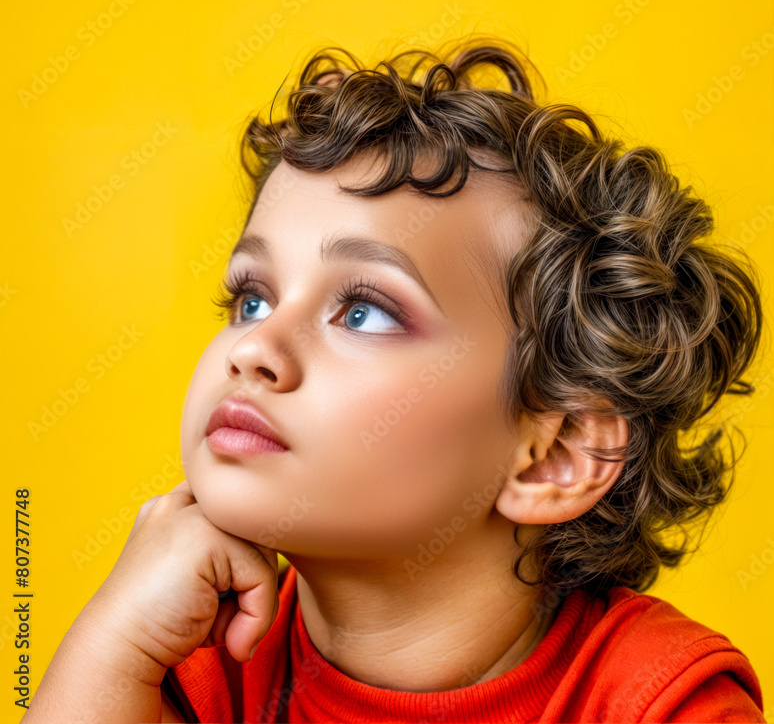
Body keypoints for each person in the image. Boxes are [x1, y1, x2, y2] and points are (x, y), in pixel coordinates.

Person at [27, 37, 766, 723]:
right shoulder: (190, 661)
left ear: (556, 454)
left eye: (364, 312)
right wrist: (107, 647)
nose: (256, 349)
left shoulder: (658, 700)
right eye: (252, 299)